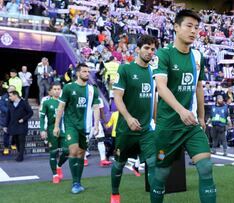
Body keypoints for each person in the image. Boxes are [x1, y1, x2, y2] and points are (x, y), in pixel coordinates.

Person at [150, 10, 216, 203]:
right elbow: (161, 87)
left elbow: (198, 87)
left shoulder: (197, 56)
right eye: (189, 26)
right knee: (161, 175)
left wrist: (202, 117)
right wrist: (181, 110)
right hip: (168, 125)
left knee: (205, 168)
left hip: (191, 124)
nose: (194, 31)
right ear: (176, 27)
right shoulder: (163, 54)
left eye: (197, 27)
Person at [110, 34, 158, 203]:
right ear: (137, 49)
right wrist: (129, 118)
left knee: (153, 163)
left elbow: (154, 99)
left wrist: (156, 121)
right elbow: (117, 97)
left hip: (147, 129)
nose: (150, 52)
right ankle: (115, 193)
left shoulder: (154, 73)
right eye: (146, 48)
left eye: (153, 49)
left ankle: (155, 199)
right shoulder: (125, 69)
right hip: (126, 128)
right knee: (119, 163)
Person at [53, 63, 100, 194]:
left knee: (81, 154)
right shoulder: (68, 88)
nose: (87, 74)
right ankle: (75, 183)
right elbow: (61, 107)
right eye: (84, 71)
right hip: (70, 125)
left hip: (85, 126)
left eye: (88, 72)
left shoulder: (92, 90)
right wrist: (56, 126)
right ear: (78, 73)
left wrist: (96, 124)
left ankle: (78, 182)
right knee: (73, 150)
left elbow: (96, 108)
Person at [40, 83, 69, 184]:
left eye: (59, 89)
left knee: (67, 151)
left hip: (64, 130)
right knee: (53, 153)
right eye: (55, 89)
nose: (57, 91)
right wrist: (42, 129)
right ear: (51, 91)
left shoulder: (64, 101)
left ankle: (59, 166)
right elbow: (42, 117)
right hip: (52, 130)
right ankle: (55, 175)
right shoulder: (47, 102)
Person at [4, 90, 33, 162]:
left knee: (21, 141)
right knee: (16, 141)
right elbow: (8, 115)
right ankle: (20, 152)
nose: (9, 97)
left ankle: (20, 156)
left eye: (10, 96)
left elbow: (30, 112)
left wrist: (23, 119)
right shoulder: (10, 104)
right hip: (13, 126)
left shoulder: (24, 103)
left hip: (22, 126)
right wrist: (5, 126)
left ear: (15, 95)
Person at [0, 85, 16, 155]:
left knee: (15, 132)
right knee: (6, 133)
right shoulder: (3, 97)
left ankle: (13, 144)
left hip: (14, 118)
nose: (12, 91)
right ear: (8, 90)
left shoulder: (17, 97)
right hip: (5, 119)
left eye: (13, 90)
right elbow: (2, 107)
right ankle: (6, 147)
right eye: (11, 90)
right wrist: (10, 112)